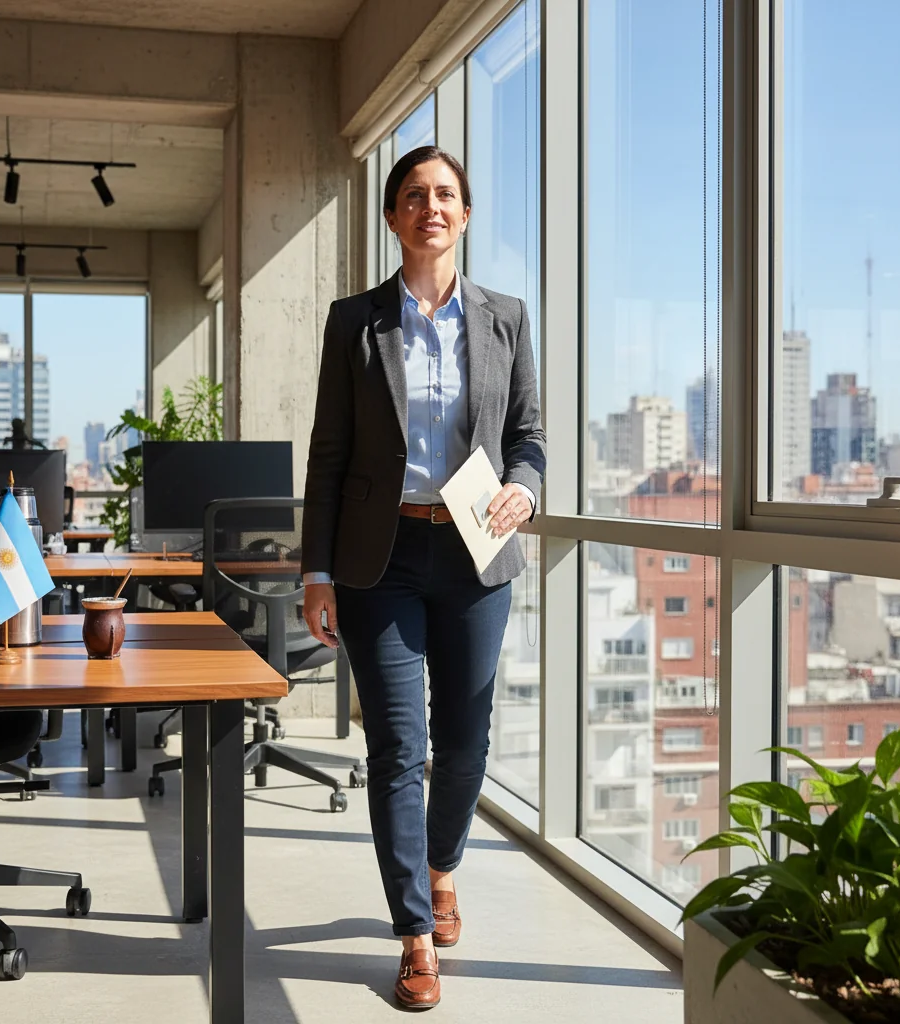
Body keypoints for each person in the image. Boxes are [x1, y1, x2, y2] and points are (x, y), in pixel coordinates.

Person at [301, 145, 546, 1010]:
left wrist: (524, 485)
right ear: (393, 217)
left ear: (465, 215)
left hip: (478, 553)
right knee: (398, 747)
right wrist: (317, 569)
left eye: (445, 195)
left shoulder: (507, 316)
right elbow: (328, 456)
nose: (430, 207)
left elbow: (529, 436)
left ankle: (443, 869)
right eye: (414, 195)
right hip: (384, 557)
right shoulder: (354, 321)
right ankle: (413, 932)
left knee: (466, 741)